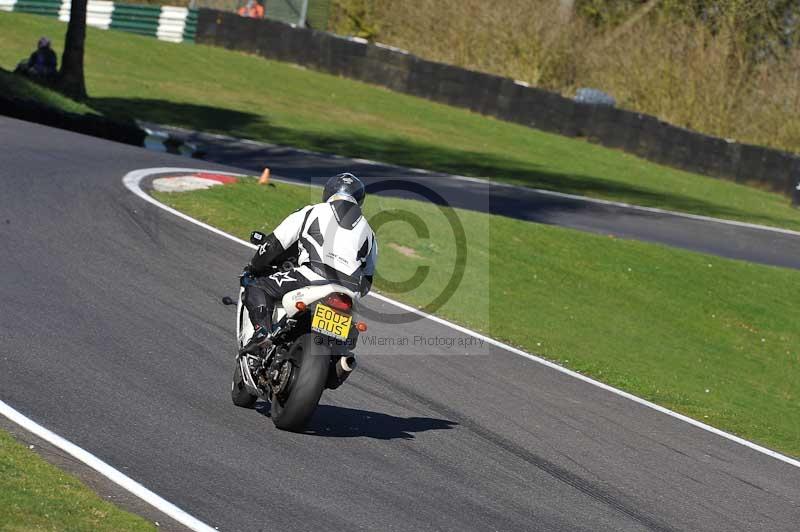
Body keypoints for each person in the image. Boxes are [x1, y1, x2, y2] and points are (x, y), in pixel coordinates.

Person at [240, 173, 378, 352]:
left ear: (328, 192)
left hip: (313, 275)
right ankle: (341, 358)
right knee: (347, 345)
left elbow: (274, 244)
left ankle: (262, 332)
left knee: (257, 286)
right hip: (349, 291)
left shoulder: (312, 210)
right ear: (360, 200)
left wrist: (254, 266)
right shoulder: (370, 233)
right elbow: (367, 281)